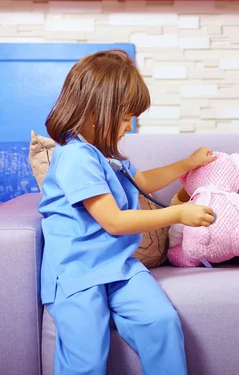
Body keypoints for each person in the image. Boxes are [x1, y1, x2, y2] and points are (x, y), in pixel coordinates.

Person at [38, 50, 216, 375]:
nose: (128, 127)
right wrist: (178, 214)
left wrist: (188, 164)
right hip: (77, 273)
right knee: (86, 357)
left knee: (161, 322)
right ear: (94, 112)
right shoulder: (75, 157)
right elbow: (114, 220)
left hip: (118, 267)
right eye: (124, 118)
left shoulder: (108, 156)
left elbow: (143, 180)